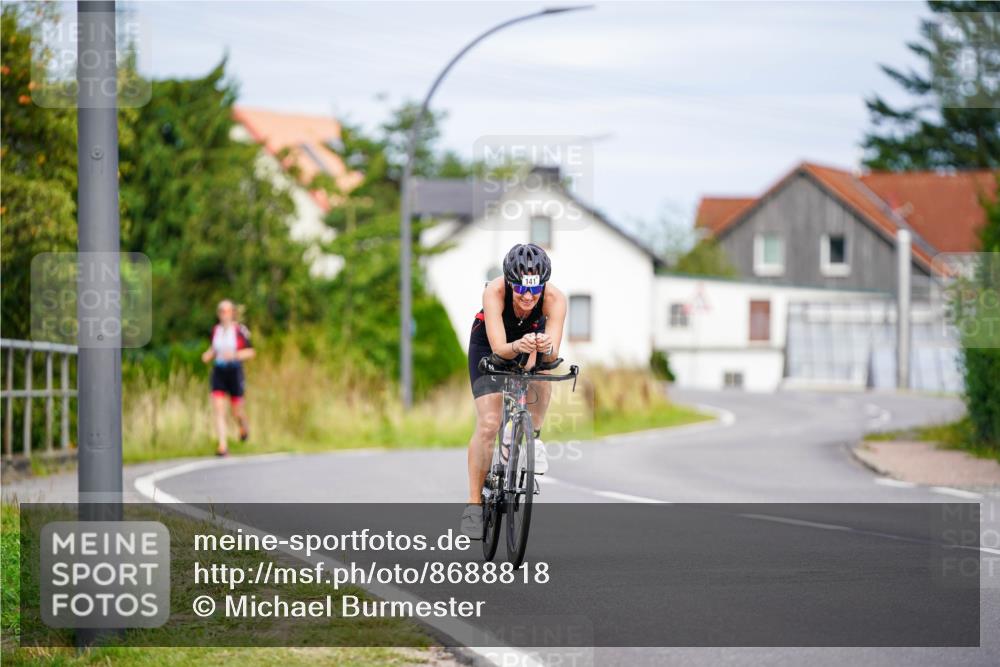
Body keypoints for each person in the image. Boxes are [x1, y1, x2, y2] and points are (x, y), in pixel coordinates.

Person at [460, 243, 567, 538]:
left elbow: (552, 354)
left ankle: (531, 435)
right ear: (509, 282)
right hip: (491, 345)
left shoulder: (555, 299)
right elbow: (499, 350)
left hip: (530, 342)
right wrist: (518, 346)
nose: (528, 297)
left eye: (535, 290)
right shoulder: (494, 292)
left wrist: (543, 349)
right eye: (520, 289)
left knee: (544, 375)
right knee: (489, 423)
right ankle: (474, 505)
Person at [200, 299, 255, 457]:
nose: (224, 314)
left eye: (227, 311)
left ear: (232, 313)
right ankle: (222, 446)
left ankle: (243, 425)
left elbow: (251, 351)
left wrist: (235, 355)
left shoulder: (239, 330)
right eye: (221, 311)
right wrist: (208, 355)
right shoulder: (216, 330)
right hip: (219, 371)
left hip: (234, 371)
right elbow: (214, 348)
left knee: (236, 411)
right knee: (218, 409)